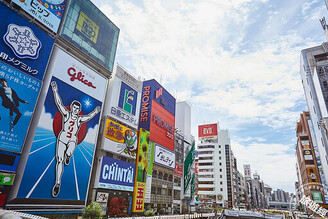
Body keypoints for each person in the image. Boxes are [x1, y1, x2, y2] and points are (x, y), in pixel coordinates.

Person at [50, 81, 100, 197]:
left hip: (72, 138)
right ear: (72, 108)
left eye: (78, 109)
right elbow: (59, 103)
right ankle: (57, 183)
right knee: (59, 160)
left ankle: (69, 155)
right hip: (62, 138)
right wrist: (55, 90)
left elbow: (88, 117)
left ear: (79, 110)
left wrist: (95, 112)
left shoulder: (79, 119)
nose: (76, 110)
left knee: (71, 147)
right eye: (74, 108)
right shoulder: (66, 115)